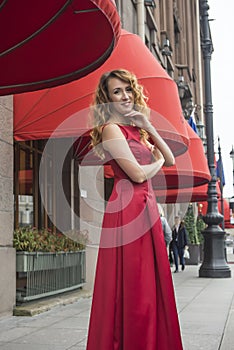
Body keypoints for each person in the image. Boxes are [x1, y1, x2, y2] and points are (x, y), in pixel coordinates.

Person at [86, 69, 183, 349]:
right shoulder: (110, 130)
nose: (125, 95)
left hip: (146, 207)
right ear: (107, 98)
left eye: (128, 89)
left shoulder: (136, 131)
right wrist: (154, 163)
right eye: (117, 92)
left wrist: (148, 126)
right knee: (134, 283)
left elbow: (170, 160)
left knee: (149, 282)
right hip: (128, 208)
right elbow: (138, 175)